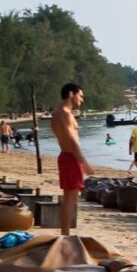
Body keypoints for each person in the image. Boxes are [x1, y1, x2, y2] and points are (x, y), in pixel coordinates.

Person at [51, 83, 92, 236]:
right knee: (70, 197)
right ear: (71, 94)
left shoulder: (58, 113)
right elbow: (72, 140)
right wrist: (84, 162)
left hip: (67, 156)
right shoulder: (65, 114)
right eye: (80, 95)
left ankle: (65, 232)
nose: (81, 99)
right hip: (71, 157)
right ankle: (65, 233)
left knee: (71, 197)